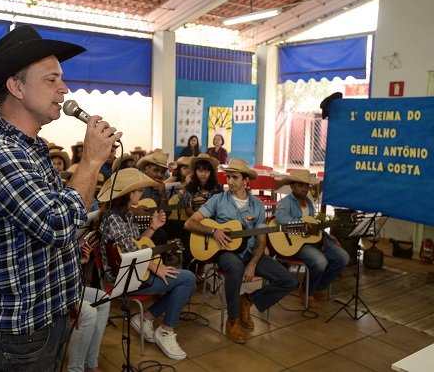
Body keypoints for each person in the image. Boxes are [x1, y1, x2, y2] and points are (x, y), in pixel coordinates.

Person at [0, 25, 121, 372]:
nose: (64, 89)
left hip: (43, 320)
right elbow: (57, 224)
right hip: (14, 337)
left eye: (61, 79)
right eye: (51, 80)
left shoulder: (28, 148)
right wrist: (90, 161)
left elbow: (50, 220)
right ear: (16, 87)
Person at [184, 158, 297, 343]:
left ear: (246, 181)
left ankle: (248, 300)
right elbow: (190, 223)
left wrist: (253, 263)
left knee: (289, 281)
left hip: (251, 252)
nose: (229, 181)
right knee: (235, 268)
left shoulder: (257, 206)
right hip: (226, 252)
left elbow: (261, 239)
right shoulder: (217, 200)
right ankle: (233, 319)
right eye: (228, 177)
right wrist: (214, 231)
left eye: (235, 177)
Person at [97, 168, 196, 360]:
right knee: (188, 280)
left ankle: (147, 318)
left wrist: (152, 228)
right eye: (139, 190)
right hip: (124, 277)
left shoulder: (125, 214)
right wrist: (155, 267)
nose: (142, 194)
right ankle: (164, 329)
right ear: (129, 194)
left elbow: (135, 244)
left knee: (186, 281)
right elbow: (132, 253)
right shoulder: (113, 218)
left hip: (135, 269)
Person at [274, 169, 349, 308]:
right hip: (295, 243)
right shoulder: (286, 202)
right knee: (320, 261)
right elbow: (281, 218)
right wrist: (302, 225)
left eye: (306, 185)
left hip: (312, 240)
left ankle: (318, 287)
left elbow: (313, 225)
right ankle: (306, 291)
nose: (304, 188)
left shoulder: (309, 203)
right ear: (292, 186)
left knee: (343, 257)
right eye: (300, 185)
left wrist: (329, 237)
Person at [67, 239, 110, 372]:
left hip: (70, 287)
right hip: (54, 291)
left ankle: (90, 363)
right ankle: (75, 369)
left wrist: (81, 261)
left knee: (103, 299)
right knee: (88, 312)